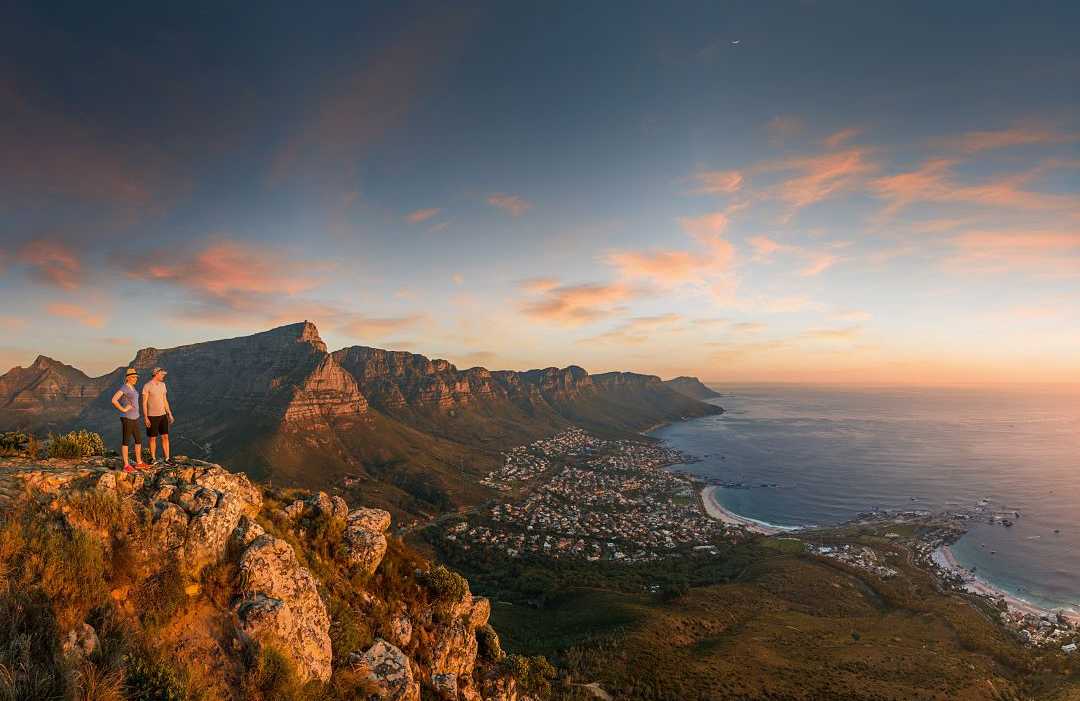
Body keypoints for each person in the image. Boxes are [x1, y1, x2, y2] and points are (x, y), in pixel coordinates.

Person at [110, 368, 146, 472]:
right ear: (128, 378)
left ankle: (139, 462)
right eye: (133, 377)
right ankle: (126, 465)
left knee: (138, 440)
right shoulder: (125, 387)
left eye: (136, 377)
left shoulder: (132, 388)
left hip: (135, 417)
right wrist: (123, 409)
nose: (136, 379)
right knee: (126, 440)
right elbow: (114, 400)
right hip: (127, 417)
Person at [141, 367, 174, 464]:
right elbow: (144, 403)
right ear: (157, 374)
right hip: (152, 416)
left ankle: (167, 458)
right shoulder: (147, 386)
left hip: (163, 415)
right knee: (152, 438)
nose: (164, 376)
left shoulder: (163, 385)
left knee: (165, 437)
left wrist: (169, 414)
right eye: (162, 374)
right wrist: (146, 417)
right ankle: (153, 459)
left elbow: (165, 400)